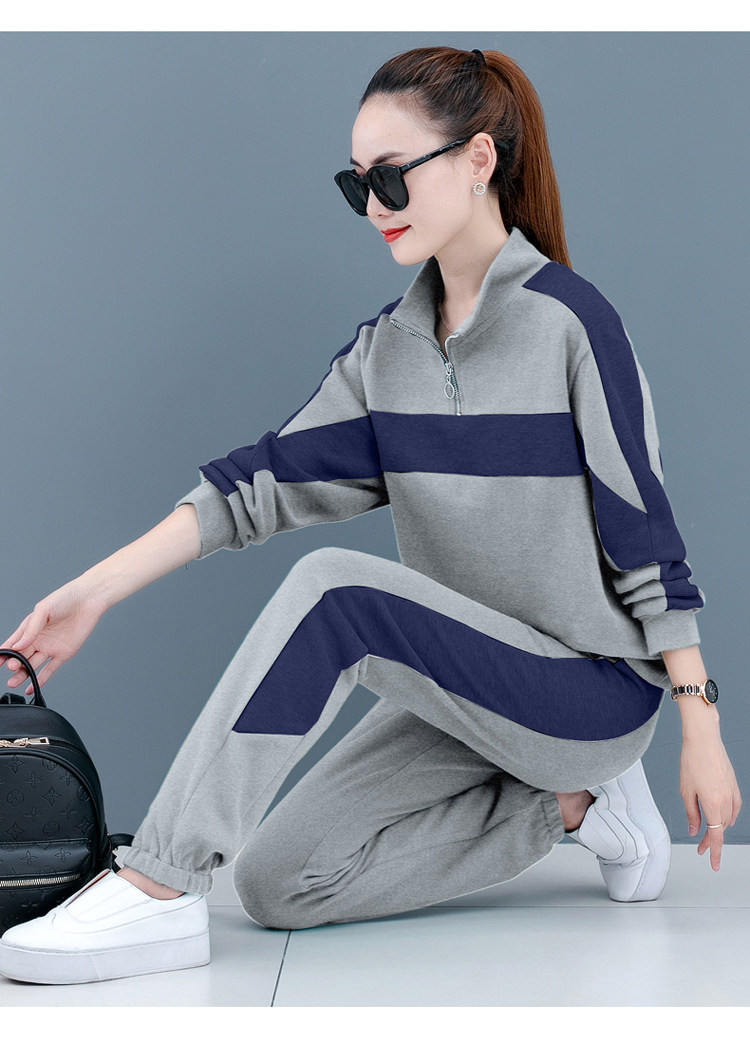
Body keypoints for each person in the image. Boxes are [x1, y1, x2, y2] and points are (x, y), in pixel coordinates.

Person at [0, 45, 741, 987]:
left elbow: (648, 541)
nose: (374, 205)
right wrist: (93, 592)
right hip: (466, 690)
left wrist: (700, 727)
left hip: (589, 693)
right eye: (357, 185)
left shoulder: (571, 324)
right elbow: (260, 484)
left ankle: (161, 881)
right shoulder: (386, 353)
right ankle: (574, 808)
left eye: (390, 176)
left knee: (335, 591)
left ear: (477, 161)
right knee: (279, 882)